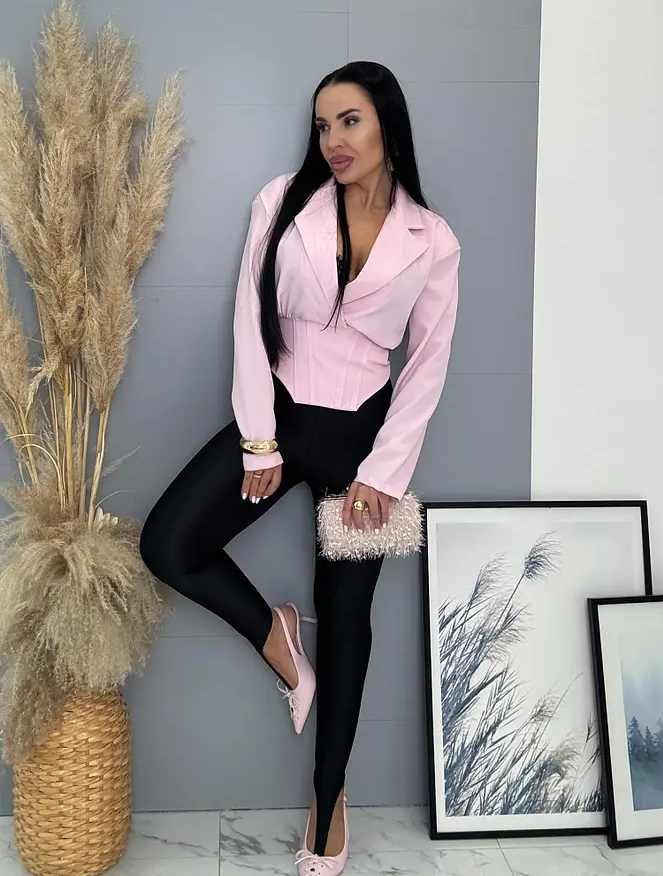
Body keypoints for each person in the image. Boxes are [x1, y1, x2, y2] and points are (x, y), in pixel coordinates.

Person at [140, 60, 460, 876]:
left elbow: (426, 363)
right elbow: (249, 317)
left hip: (364, 445)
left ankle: (328, 798)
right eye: (323, 124)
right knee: (168, 543)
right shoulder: (282, 200)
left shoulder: (432, 239)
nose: (333, 139)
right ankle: (275, 637)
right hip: (279, 419)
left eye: (349, 120)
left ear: (387, 124)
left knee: (348, 619)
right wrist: (258, 439)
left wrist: (383, 472)